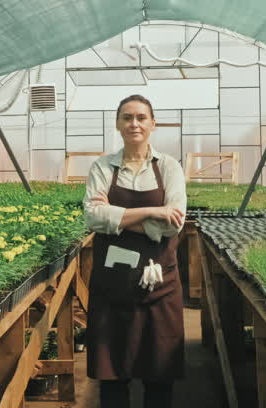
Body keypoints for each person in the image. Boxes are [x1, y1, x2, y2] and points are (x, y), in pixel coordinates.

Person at [83, 94, 187, 408]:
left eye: (141, 117)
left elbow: (174, 224)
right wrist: (150, 212)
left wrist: (117, 217)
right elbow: (92, 217)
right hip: (112, 287)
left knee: (159, 375)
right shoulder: (102, 167)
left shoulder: (168, 166)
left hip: (160, 287)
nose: (134, 124)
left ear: (152, 124)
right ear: (117, 124)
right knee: (112, 376)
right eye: (127, 117)